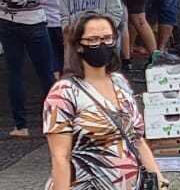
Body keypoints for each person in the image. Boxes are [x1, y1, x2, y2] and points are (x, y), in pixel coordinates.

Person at [44, 13, 168, 190]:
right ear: (79, 45)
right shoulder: (64, 93)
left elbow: (137, 140)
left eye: (108, 39)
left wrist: (159, 180)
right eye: (93, 40)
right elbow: (60, 157)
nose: (102, 45)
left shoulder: (119, 82)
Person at [0, 0, 55, 137]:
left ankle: (20, 125)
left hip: (6, 19)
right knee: (45, 72)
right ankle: (53, 121)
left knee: (15, 72)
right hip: (33, 20)